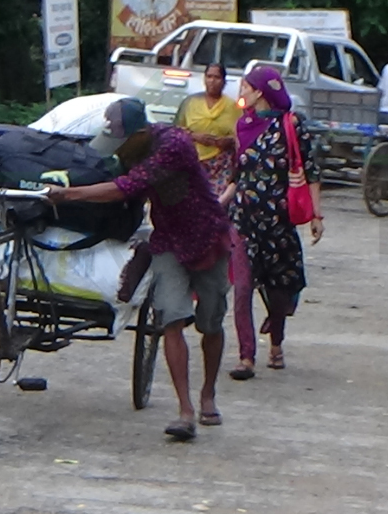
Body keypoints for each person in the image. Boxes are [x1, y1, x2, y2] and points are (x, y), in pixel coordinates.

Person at [47, 97, 230, 441]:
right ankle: (185, 411)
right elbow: (110, 175)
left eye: (121, 141)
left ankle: (208, 393)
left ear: (141, 133)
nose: (117, 148)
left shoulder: (174, 145)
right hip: (168, 241)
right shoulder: (130, 151)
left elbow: (125, 188)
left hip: (207, 237)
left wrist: (70, 194)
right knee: (171, 318)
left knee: (211, 323)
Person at [226, 66, 324, 378]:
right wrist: (217, 205)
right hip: (243, 220)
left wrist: (316, 215)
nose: (242, 91)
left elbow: (310, 170)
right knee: (242, 288)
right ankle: (246, 357)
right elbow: (237, 175)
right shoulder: (242, 125)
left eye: (246, 86)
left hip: (278, 223)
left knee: (279, 289)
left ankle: (276, 342)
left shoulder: (291, 125)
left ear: (260, 92)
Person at [175, 63, 239, 198]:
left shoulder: (232, 107)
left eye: (217, 77)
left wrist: (227, 141)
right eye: (209, 76)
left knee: (214, 201)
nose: (212, 81)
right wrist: (194, 136)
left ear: (224, 81)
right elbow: (175, 131)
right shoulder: (191, 102)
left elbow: (241, 136)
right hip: (192, 161)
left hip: (220, 165)